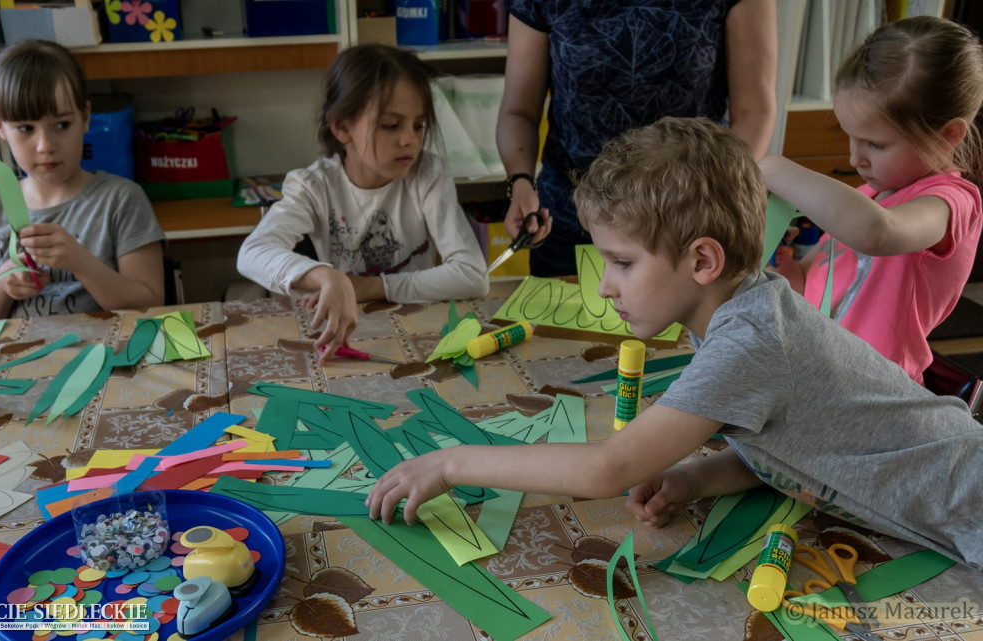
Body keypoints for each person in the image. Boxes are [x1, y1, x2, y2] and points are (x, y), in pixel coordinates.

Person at [366, 117, 983, 568]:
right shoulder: (741, 312)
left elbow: (607, 467)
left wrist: (451, 461)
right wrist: (698, 477)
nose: (605, 287)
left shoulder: (750, 341)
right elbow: (802, 438)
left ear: (703, 261)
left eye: (623, 262)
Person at [762, 16, 983, 384]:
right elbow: (814, 287)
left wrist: (776, 168)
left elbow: (877, 233)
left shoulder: (949, 204)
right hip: (820, 372)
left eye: (875, 145)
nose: (855, 159)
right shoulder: (871, 196)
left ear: (947, 136)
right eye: (851, 138)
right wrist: (789, 271)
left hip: (874, 393)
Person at [237, 44, 488, 361]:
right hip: (348, 336)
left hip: (421, 336)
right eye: (391, 125)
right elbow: (251, 253)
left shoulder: (427, 174)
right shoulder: (315, 186)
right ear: (342, 127)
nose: (410, 139)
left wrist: (372, 286)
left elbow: (472, 275)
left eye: (419, 125)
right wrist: (328, 277)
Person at [497, 0, 778, 277]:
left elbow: (755, 111)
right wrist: (520, 181)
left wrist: (711, 198)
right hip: (571, 218)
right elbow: (518, 112)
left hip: (684, 225)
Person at [0, 40, 166, 321]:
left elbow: (151, 305)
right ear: (1, 129)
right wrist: (4, 280)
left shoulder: (121, 199)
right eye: (26, 128)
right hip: (20, 360)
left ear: (85, 118)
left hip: (107, 356)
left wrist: (80, 262)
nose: (45, 145)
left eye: (61, 125)